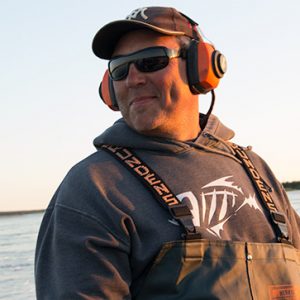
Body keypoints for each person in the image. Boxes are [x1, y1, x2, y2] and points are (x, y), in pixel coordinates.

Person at [35, 6, 300, 300]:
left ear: (201, 68)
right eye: (120, 69)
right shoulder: (94, 187)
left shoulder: (256, 170)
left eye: (151, 62)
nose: (133, 79)